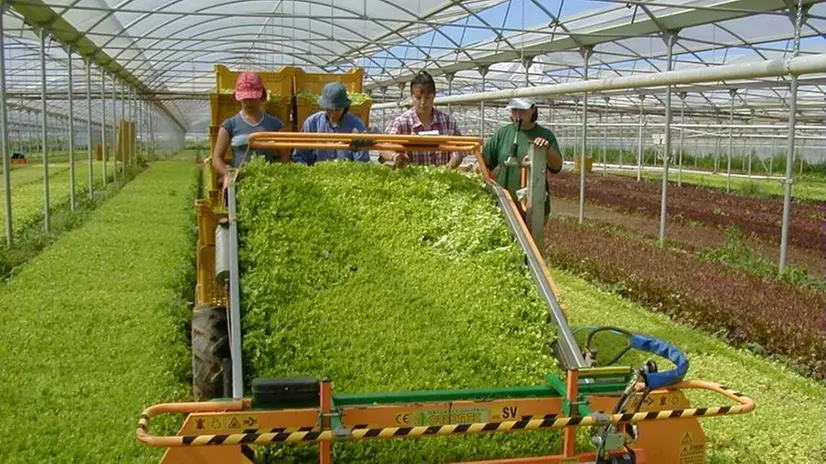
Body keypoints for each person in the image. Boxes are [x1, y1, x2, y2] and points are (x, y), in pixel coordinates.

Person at [482, 97, 563, 216]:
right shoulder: (503, 134)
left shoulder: (545, 134)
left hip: (533, 202)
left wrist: (547, 148)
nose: (518, 115)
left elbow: (556, 167)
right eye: (514, 110)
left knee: (530, 233)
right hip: (505, 201)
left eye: (522, 111)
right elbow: (485, 163)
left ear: (533, 110)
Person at [212, 71, 286, 190]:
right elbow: (216, 158)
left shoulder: (275, 125)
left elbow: (285, 156)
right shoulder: (229, 125)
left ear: (261, 96)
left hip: (267, 184)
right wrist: (227, 173)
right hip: (239, 185)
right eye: (244, 98)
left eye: (252, 98)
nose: (248, 102)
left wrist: (274, 174)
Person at [380, 70, 463, 169]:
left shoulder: (449, 123)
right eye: (418, 98)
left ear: (434, 96)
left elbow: (458, 149)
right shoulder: (401, 122)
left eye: (428, 97)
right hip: (410, 182)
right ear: (412, 97)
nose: (423, 103)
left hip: (442, 181)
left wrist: (450, 165)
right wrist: (395, 156)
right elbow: (384, 147)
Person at [292, 82, 370, 166]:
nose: (333, 114)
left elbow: (361, 160)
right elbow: (299, 156)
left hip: (346, 175)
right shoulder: (312, 122)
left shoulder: (356, 125)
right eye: (329, 110)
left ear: (345, 108)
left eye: (337, 110)